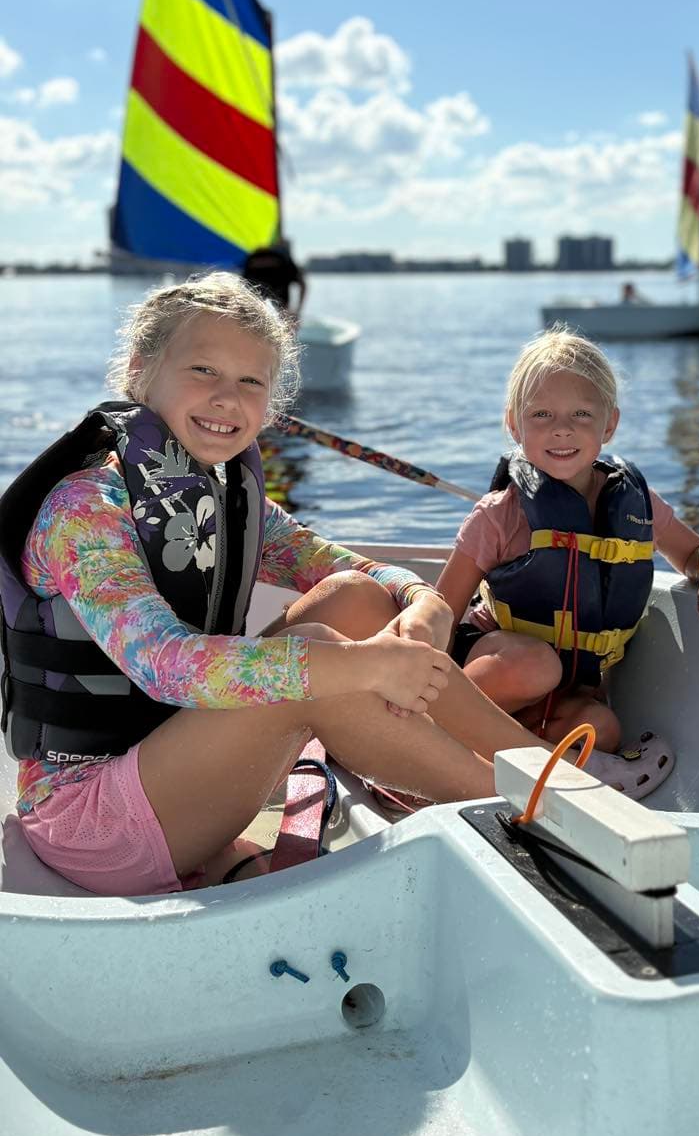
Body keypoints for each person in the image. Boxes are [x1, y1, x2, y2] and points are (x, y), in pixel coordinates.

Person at [0, 274, 639, 898]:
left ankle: (535, 768)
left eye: (252, 381)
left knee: (358, 602)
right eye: (204, 371)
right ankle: (527, 802)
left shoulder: (220, 495)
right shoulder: (85, 510)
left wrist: (422, 602)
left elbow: (348, 567)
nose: (229, 399)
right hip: (91, 821)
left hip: (176, 770)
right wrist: (355, 668)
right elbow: (166, 665)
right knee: (314, 657)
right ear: (141, 369)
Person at [436, 329, 699, 753]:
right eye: (541, 415)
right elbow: (440, 612)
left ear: (609, 424)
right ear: (513, 425)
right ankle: (434, 732)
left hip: (564, 691)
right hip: (495, 666)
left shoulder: (636, 503)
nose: (561, 430)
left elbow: (693, 550)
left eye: (581, 415)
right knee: (535, 666)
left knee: (602, 728)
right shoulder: (499, 514)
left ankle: (505, 750)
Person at [242, 242, 306, 322]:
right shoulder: (284, 259)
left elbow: (243, 284)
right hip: (274, 307)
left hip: (259, 306)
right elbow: (302, 284)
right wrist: (297, 310)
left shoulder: (252, 257)